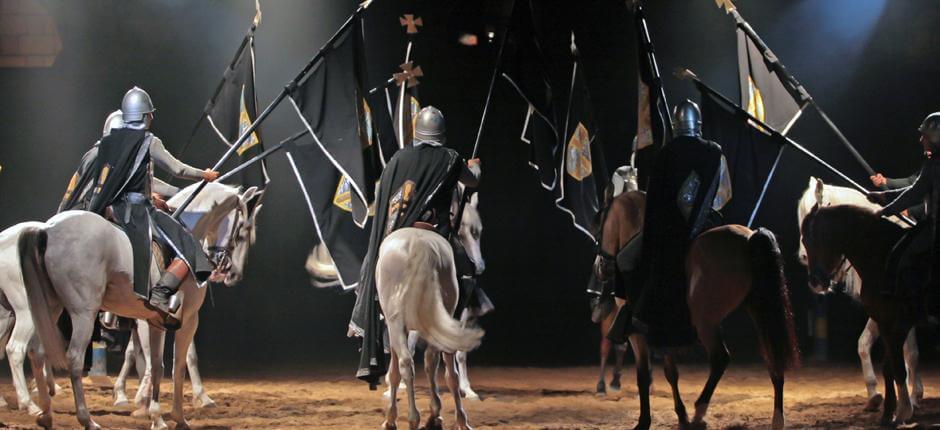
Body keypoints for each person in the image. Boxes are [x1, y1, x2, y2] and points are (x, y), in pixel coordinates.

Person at [60, 87, 219, 329]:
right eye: (150, 114)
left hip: (112, 207)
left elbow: (129, 181)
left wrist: (172, 194)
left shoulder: (111, 142)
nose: (152, 118)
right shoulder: (148, 141)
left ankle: (110, 312)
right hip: (138, 211)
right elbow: (177, 169)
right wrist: (203, 175)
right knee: (189, 246)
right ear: (145, 115)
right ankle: (162, 293)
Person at [349, 106, 481, 386]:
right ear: (441, 134)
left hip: (398, 229)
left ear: (418, 132)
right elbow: (473, 181)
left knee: (374, 263)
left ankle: (372, 307)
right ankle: (456, 316)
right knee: (467, 270)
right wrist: (474, 166)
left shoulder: (398, 158)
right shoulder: (451, 157)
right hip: (438, 232)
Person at [630, 100, 731, 348]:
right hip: (705, 225)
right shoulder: (714, 152)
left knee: (641, 263)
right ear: (697, 123)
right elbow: (723, 194)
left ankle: (637, 317)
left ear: (676, 125)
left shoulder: (666, 153)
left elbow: (655, 198)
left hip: (670, 232)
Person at [869, 112, 940, 315]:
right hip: (931, 222)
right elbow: (914, 187)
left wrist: (885, 210)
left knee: (903, 256)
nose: (921, 139)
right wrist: (884, 196)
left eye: (924, 135)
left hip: (935, 228)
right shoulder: (933, 162)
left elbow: (914, 192)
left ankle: (916, 309)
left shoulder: (935, 165)